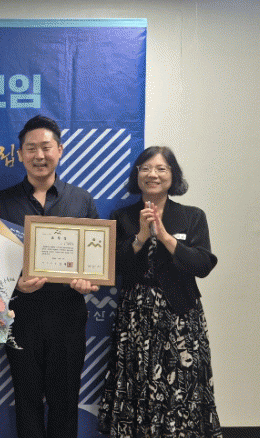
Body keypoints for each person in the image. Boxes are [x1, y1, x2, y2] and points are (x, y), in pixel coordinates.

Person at [0, 115, 99, 438]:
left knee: (66, 401)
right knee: (27, 399)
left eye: (46, 147)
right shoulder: (2, 202)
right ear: (20, 154)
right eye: (31, 148)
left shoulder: (81, 200)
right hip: (21, 316)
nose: (39, 155)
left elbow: (95, 261)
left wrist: (88, 283)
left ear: (59, 150)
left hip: (68, 315)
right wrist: (15, 285)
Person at [97, 146, 222, 437]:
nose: (152, 174)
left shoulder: (192, 216)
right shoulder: (122, 216)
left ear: (173, 175)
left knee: (182, 384)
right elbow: (112, 266)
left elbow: (203, 265)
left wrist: (165, 236)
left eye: (161, 168)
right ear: (137, 175)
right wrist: (140, 237)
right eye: (146, 168)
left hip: (181, 316)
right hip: (135, 316)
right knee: (136, 379)